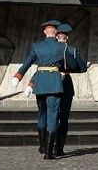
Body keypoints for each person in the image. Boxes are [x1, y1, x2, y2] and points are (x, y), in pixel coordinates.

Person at [9, 19, 71, 160]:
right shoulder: (63, 47)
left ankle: (43, 146)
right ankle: (49, 152)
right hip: (55, 83)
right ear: (55, 32)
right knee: (53, 115)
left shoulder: (37, 46)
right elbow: (71, 64)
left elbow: (28, 62)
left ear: (44, 32)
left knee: (42, 114)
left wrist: (18, 76)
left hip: (41, 82)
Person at [52, 23, 88, 157]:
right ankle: (54, 147)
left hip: (60, 84)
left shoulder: (70, 50)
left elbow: (83, 68)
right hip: (58, 83)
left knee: (59, 117)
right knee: (58, 117)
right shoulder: (61, 50)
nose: (62, 39)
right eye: (60, 37)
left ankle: (56, 147)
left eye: (62, 37)